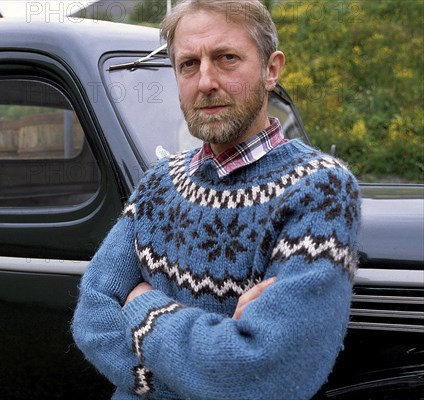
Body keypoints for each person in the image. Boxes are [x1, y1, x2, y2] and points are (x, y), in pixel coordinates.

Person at [72, 0, 361, 399]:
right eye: (188, 64)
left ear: (271, 69)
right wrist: (184, 378)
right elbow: (92, 314)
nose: (205, 81)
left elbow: (263, 375)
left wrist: (142, 304)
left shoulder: (320, 189)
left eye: (226, 58)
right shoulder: (159, 182)